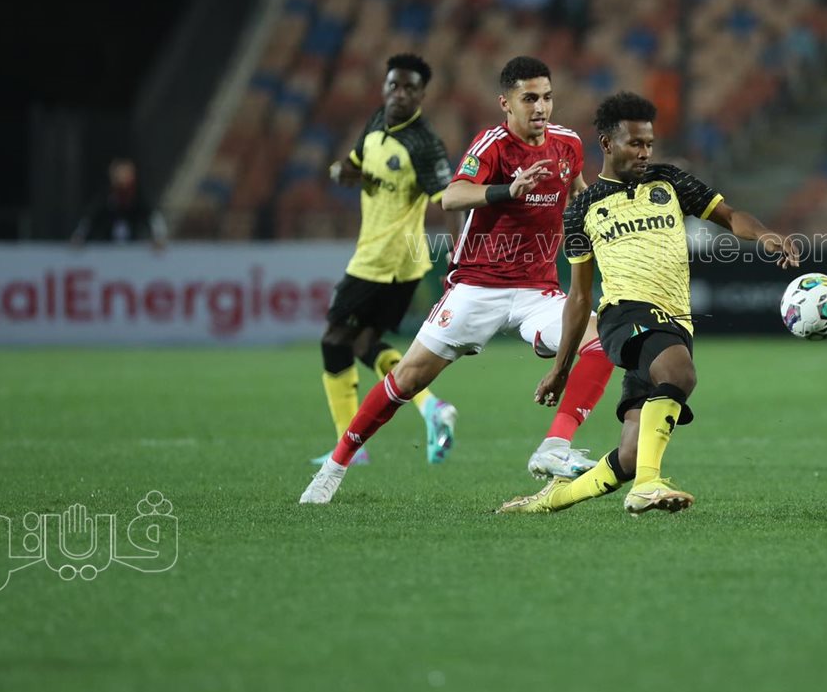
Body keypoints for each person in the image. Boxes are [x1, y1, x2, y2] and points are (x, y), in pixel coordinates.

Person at [300, 56, 617, 504]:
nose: (541, 107)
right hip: (477, 288)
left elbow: (578, 192)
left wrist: (610, 212)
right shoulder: (492, 145)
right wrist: (509, 190)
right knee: (406, 380)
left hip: (538, 291)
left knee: (602, 340)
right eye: (529, 98)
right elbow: (452, 196)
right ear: (506, 103)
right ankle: (334, 467)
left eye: (547, 97)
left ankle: (554, 446)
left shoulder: (567, 143)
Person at [496, 91, 799, 516]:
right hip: (624, 314)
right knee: (679, 373)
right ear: (607, 144)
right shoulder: (582, 209)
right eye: (635, 143)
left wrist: (763, 234)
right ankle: (648, 486)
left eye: (649, 144)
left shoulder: (669, 181)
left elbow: (730, 216)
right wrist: (561, 368)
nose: (644, 152)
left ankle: (549, 500)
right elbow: (580, 296)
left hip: (674, 321)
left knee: (631, 454)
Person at [313, 54, 457, 468]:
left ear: (422, 95)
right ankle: (431, 408)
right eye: (394, 85)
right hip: (390, 263)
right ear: (384, 87)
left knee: (333, 340)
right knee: (363, 344)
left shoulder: (424, 144)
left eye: (410, 88)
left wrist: (457, 254)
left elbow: (450, 199)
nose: (400, 94)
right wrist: (342, 171)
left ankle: (349, 446)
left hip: (382, 262)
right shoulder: (377, 122)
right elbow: (354, 164)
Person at [71, 159, 167, 248]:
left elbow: (154, 217)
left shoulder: (139, 199)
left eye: (126, 176)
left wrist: (159, 237)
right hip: (107, 248)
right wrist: (79, 235)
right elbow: (89, 219)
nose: (123, 182)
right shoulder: (105, 198)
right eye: (119, 177)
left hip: (134, 247)